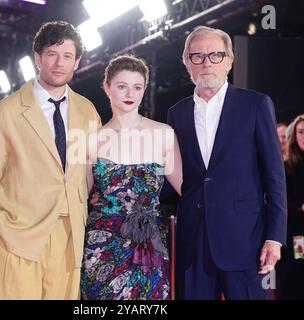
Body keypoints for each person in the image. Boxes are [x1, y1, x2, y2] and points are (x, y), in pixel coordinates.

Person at [0, 21, 101, 299]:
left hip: (70, 235)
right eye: (52, 54)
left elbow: (92, 168)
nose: (59, 63)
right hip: (17, 235)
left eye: (67, 56)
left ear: (77, 62)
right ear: (38, 58)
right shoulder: (4, 113)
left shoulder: (88, 111)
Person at [167, 26, 287, 300]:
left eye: (215, 55)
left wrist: (275, 237)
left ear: (229, 61)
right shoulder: (176, 113)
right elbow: (174, 178)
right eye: (197, 56)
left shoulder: (255, 105)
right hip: (192, 243)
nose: (206, 62)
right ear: (187, 63)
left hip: (246, 242)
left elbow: (275, 177)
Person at [80, 54, 183, 300]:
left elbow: (187, 190)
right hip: (101, 245)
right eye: (121, 86)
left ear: (144, 89)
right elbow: (78, 197)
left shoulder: (163, 134)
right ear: (107, 88)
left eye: (137, 87)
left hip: (147, 245)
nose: (130, 93)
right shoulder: (91, 139)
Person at [276, 114, 304, 299]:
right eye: (301, 132)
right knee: (297, 282)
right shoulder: (285, 169)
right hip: (297, 238)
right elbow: (279, 206)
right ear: (294, 136)